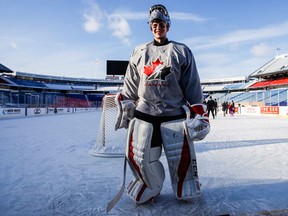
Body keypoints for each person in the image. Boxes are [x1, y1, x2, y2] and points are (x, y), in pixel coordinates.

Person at [114, 4, 210, 204]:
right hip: (144, 115)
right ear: (150, 27)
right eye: (154, 24)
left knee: (180, 159)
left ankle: (185, 185)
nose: (158, 27)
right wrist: (127, 103)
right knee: (141, 158)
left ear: (168, 26)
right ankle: (149, 184)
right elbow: (131, 83)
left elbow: (192, 84)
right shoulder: (139, 51)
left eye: (162, 24)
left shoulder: (181, 51)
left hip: (173, 115)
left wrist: (199, 111)